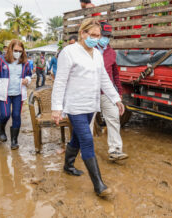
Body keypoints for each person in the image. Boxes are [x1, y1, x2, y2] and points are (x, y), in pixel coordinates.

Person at [52, 18, 124, 197]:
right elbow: (60, 82)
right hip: (75, 106)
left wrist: (116, 98)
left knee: (77, 138)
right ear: (82, 33)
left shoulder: (97, 55)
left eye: (98, 36)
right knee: (86, 139)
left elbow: (104, 80)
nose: (96, 39)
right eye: (92, 35)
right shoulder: (69, 52)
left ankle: (68, 165)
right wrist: (56, 108)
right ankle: (99, 185)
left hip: (91, 105)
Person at [0, 39, 32, 149]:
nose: (18, 53)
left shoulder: (25, 61)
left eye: (20, 51)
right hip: (5, 93)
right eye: (15, 50)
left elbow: (29, 75)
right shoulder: (1, 60)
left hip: (19, 93)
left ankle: (14, 141)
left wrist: (27, 80)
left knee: (16, 116)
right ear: (10, 49)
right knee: (5, 115)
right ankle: (1, 129)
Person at [97, 22, 128, 161]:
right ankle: (82, 150)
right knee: (87, 123)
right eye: (104, 35)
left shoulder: (111, 53)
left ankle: (115, 150)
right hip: (89, 93)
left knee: (114, 118)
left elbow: (115, 74)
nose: (106, 38)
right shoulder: (89, 50)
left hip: (107, 93)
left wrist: (119, 92)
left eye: (108, 36)